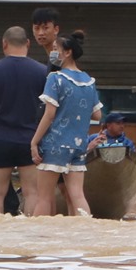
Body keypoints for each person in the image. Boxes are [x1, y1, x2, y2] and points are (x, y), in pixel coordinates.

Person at [0, 26, 49, 216]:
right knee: (32, 192)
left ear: (4, 44)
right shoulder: (42, 72)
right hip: (30, 140)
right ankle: (30, 235)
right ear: (28, 44)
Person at [29, 30, 103, 216]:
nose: (53, 53)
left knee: (44, 197)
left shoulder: (56, 78)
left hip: (54, 144)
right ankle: (83, 233)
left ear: (67, 52)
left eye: (56, 49)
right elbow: (97, 114)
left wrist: (34, 142)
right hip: (79, 145)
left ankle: (39, 238)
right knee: (78, 196)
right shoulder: (89, 81)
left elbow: (49, 114)